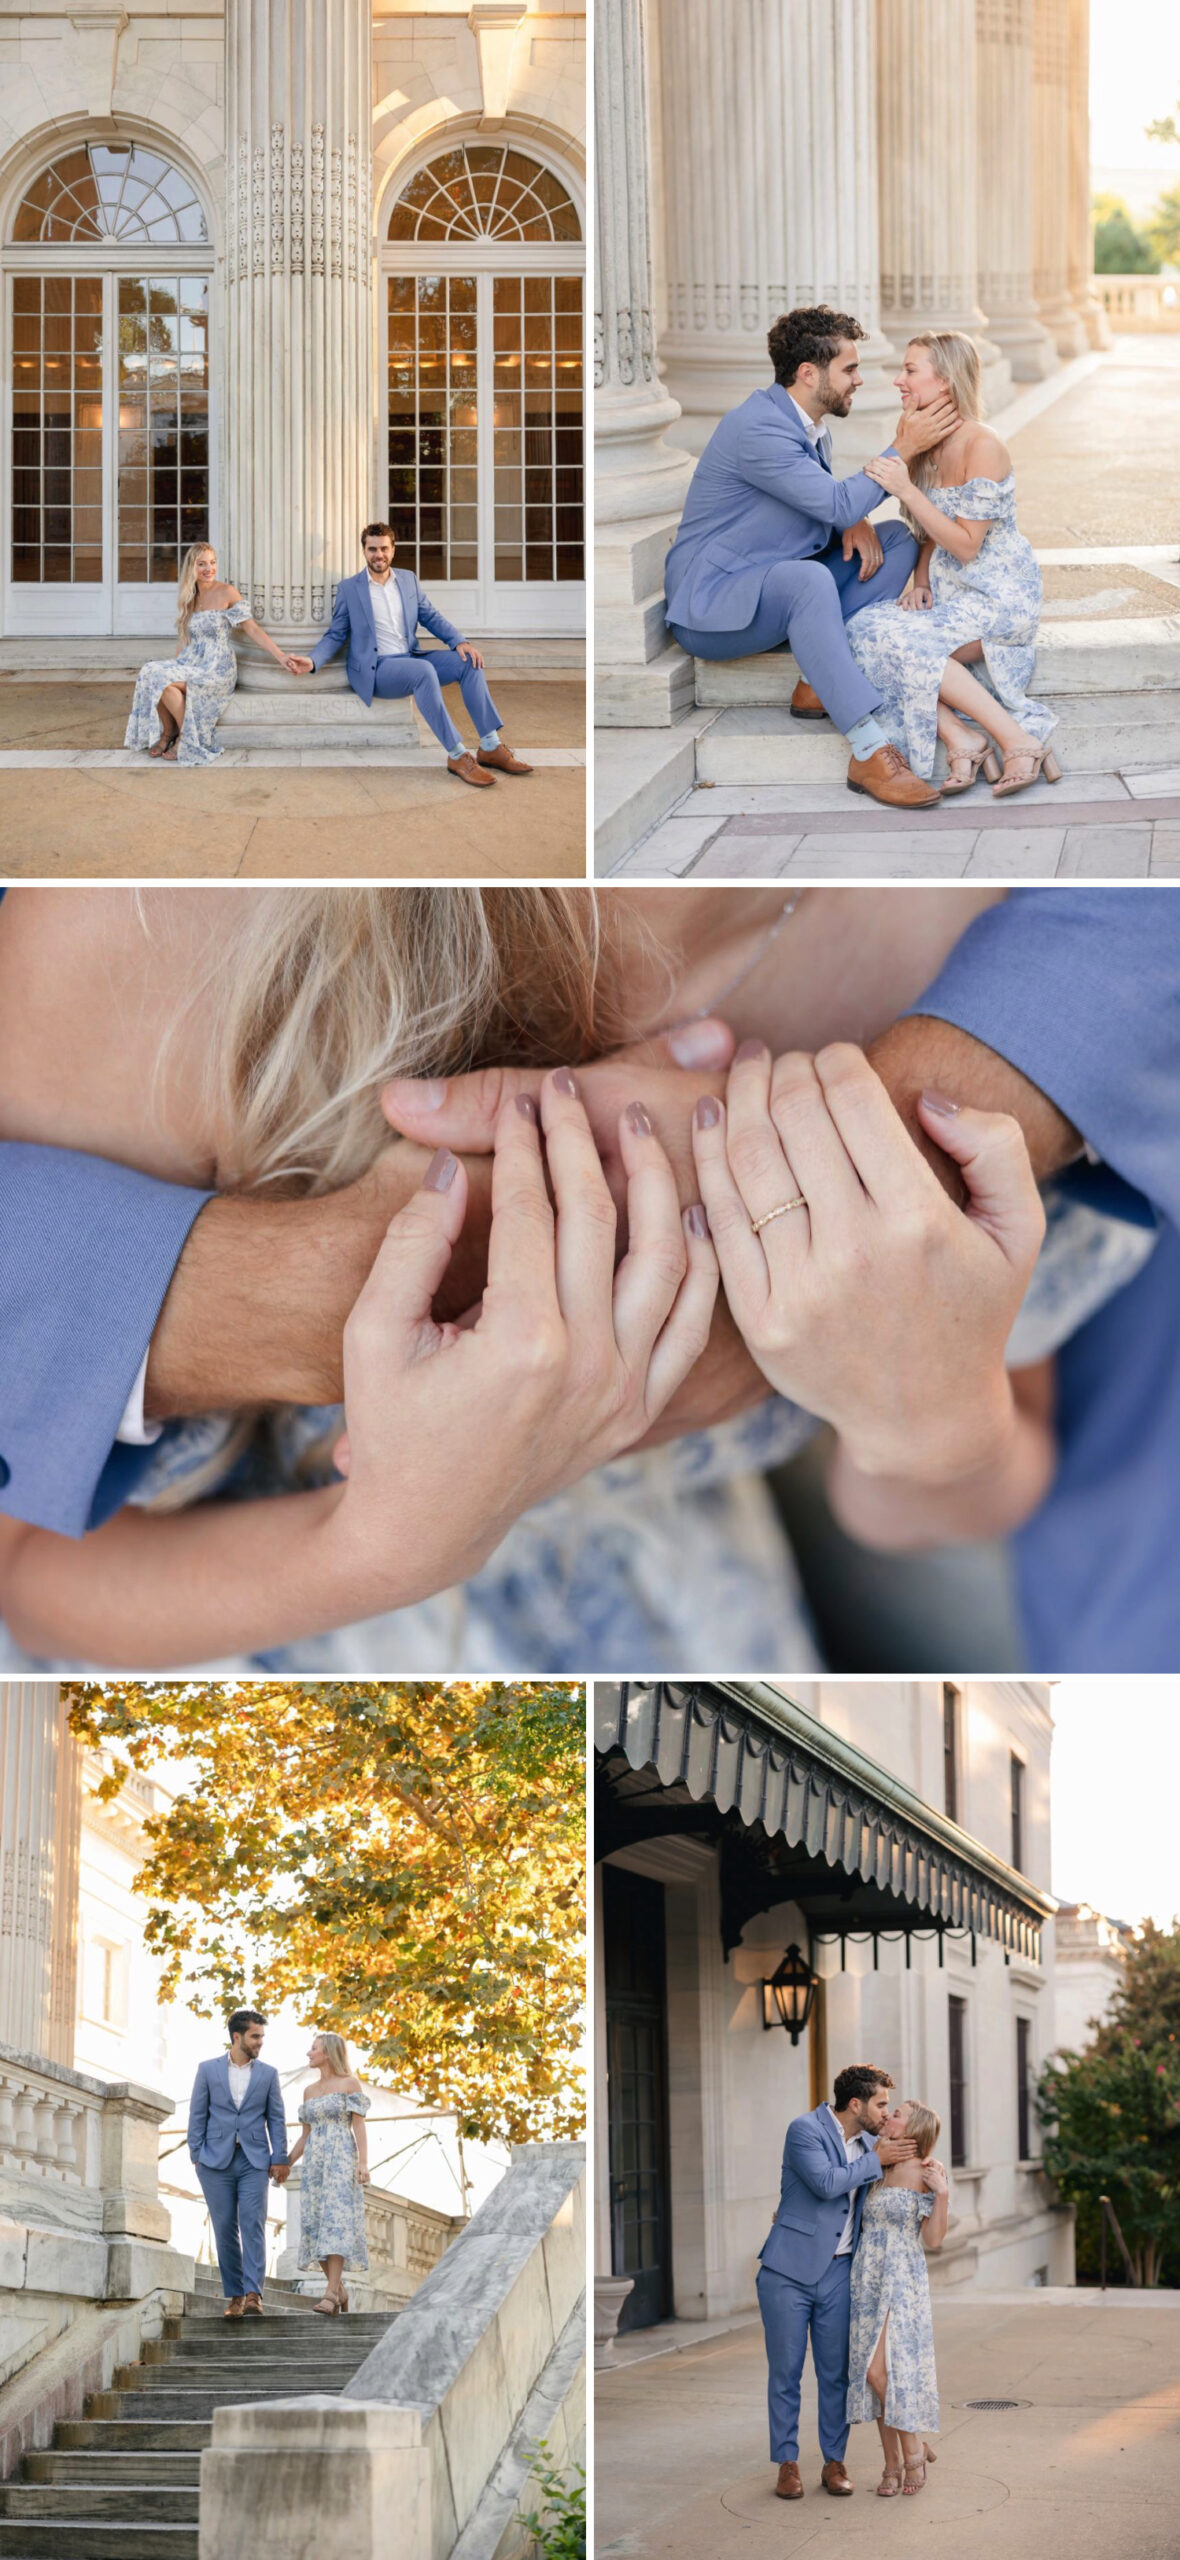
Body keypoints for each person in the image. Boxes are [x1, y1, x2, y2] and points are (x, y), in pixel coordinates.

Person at [0, 884, 1160, 1674]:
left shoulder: (991, 943)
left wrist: (934, 1427)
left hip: (695, 1637)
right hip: (234, 1648)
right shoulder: (155, 942)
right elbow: (29, 1569)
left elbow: (971, 1472)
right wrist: (375, 1547)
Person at [663, 305, 959, 810]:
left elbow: (817, 498)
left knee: (895, 543)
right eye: (849, 369)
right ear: (808, 373)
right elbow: (835, 500)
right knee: (808, 581)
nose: (861, 380)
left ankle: (814, 682)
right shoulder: (757, 427)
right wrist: (903, 448)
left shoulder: (805, 420)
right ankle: (868, 749)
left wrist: (850, 518)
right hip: (711, 604)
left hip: (767, 579)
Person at [847, 333, 1060, 796]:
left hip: (998, 597)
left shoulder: (983, 444)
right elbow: (928, 533)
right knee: (861, 629)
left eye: (910, 370)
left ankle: (1016, 740)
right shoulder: (921, 437)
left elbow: (965, 545)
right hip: (952, 596)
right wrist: (920, 579)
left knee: (905, 644)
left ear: (944, 382)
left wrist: (906, 490)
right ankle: (960, 736)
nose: (898, 380)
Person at [757, 2065, 915, 2500]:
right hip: (787, 2272)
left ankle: (834, 2461)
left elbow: (889, 2190)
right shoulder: (804, 2129)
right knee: (785, 2374)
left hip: (842, 2272)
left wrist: (927, 2173)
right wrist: (876, 2160)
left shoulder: (870, 2144)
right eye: (881, 2104)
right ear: (856, 2104)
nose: (885, 2113)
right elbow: (826, 2183)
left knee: (837, 2375)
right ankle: (787, 2463)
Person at [286, 523, 532, 790]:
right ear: (364, 551)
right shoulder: (350, 589)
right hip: (377, 669)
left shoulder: (407, 579)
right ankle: (458, 756)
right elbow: (336, 634)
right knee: (423, 671)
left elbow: (430, 616)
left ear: (392, 550)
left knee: (469, 662)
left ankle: (490, 746)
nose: (378, 555)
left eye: (383, 549)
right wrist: (312, 661)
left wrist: (459, 641)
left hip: (411, 656)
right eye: (372, 549)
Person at [846, 2098, 948, 2496]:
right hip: (866, 2277)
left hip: (901, 2278)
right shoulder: (875, 2165)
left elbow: (935, 2239)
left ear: (914, 2128)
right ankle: (892, 2465)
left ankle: (912, 2450)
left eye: (897, 2114)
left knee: (880, 2371)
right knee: (875, 2381)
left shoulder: (927, 2171)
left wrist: (941, 2194)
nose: (888, 2116)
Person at [124, 543, 296, 764]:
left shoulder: (227, 592)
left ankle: (185, 737)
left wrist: (280, 655)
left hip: (217, 666)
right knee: (151, 673)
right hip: (193, 661)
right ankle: (169, 732)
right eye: (202, 564)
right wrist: (177, 666)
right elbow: (185, 638)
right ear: (192, 568)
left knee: (163, 680)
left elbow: (252, 628)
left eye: (212, 562)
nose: (209, 568)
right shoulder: (190, 596)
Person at [187, 2008, 288, 2318]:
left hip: (254, 2160)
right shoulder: (208, 2070)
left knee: (253, 2224)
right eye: (255, 2036)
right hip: (214, 2162)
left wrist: (280, 2157)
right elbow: (197, 2114)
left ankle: (254, 2294)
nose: (260, 2042)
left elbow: (276, 2118)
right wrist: (197, 2155)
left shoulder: (268, 2074)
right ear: (237, 2036)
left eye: (261, 2036)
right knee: (224, 2228)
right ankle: (234, 2296)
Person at [272, 2032, 370, 2316]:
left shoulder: (350, 2084)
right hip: (315, 2163)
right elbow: (306, 2136)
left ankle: (330, 2293)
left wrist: (363, 2163)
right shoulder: (309, 2092)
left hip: (341, 2158)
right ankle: (339, 2290)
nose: (308, 2053)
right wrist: (286, 2163)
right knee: (316, 2224)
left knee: (335, 2222)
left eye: (313, 2049)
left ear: (328, 2052)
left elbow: (359, 2127)